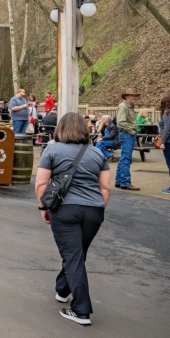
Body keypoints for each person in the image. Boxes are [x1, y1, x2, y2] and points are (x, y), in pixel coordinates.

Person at [34, 112, 111, 326]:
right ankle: (62, 289)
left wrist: (43, 206)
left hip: (66, 208)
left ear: (61, 128)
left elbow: (41, 183)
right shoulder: (97, 153)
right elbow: (105, 188)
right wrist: (98, 210)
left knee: (72, 255)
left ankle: (81, 309)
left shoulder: (52, 149)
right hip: (94, 209)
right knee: (77, 253)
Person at [114, 88, 140, 191]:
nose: (134, 98)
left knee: (124, 158)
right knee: (126, 159)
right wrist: (131, 131)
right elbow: (120, 122)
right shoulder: (124, 107)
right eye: (132, 96)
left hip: (127, 134)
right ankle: (125, 182)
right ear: (126, 97)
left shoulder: (128, 106)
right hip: (127, 134)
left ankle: (119, 181)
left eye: (135, 96)